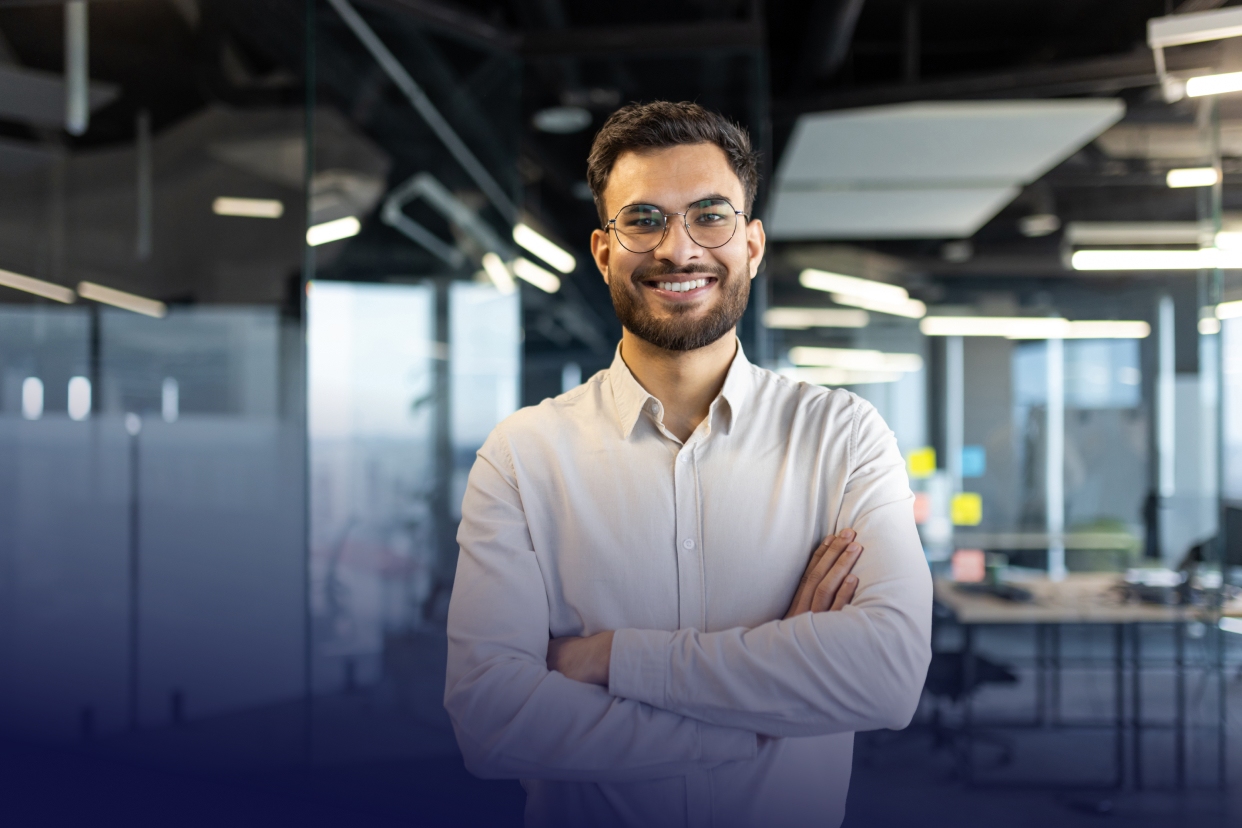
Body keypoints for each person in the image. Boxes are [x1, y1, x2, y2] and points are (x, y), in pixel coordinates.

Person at [445, 100, 932, 828]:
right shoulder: (524, 455)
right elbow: (491, 721)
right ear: (605, 249)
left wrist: (612, 659)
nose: (679, 249)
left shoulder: (843, 438)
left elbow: (886, 680)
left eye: (711, 215)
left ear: (753, 245)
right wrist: (762, 715)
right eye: (644, 220)